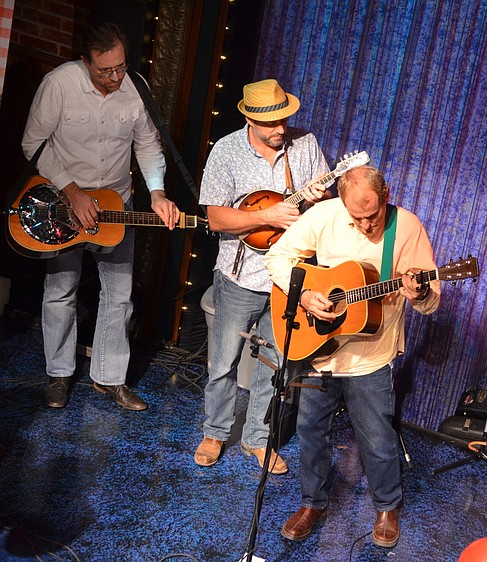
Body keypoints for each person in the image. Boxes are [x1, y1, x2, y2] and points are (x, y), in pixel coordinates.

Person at [264, 166, 440, 548]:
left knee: (376, 438)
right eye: (355, 217)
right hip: (319, 351)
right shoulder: (325, 214)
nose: (364, 225)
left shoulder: (407, 228)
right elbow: (276, 258)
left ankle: (386, 507)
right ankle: (312, 502)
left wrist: (420, 293)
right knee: (311, 432)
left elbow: (430, 297)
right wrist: (307, 292)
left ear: (386, 195)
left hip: (370, 358)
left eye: (372, 215)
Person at [21, 22, 181, 411]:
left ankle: (110, 379)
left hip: (116, 205)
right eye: (104, 70)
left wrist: (157, 192)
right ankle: (58, 374)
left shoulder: (135, 88)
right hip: (64, 202)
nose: (114, 77)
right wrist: (72, 192)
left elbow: (147, 145)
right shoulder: (60, 84)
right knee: (61, 290)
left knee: (120, 294)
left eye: (120, 67)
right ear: (84, 62)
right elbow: (32, 144)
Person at [193, 79, 330, 474]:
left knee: (275, 363)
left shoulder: (305, 146)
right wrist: (264, 217)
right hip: (240, 276)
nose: (280, 128)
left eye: (284, 119)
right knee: (224, 362)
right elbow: (216, 218)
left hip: (289, 280)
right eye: (271, 122)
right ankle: (215, 431)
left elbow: (321, 208)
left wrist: (317, 203)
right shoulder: (226, 151)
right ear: (250, 119)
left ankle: (256, 439)